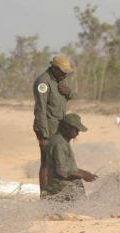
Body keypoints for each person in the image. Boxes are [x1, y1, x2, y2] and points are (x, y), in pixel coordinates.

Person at [33, 54, 74, 196]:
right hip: (48, 130)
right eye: (63, 71)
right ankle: (44, 196)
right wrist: (43, 135)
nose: (65, 74)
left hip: (60, 130)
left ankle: (57, 193)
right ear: (54, 68)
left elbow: (61, 101)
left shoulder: (59, 81)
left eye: (66, 71)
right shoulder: (43, 83)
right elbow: (40, 110)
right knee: (46, 163)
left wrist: (69, 93)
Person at [45, 113, 98, 201]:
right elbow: (62, 170)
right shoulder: (59, 144)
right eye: (76, 130)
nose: (78, 133)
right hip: (61, 189)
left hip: (66, 187)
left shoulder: (63, 141)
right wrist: (83, 175)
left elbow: (69, 167)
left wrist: (85, 173)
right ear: (67, 128)